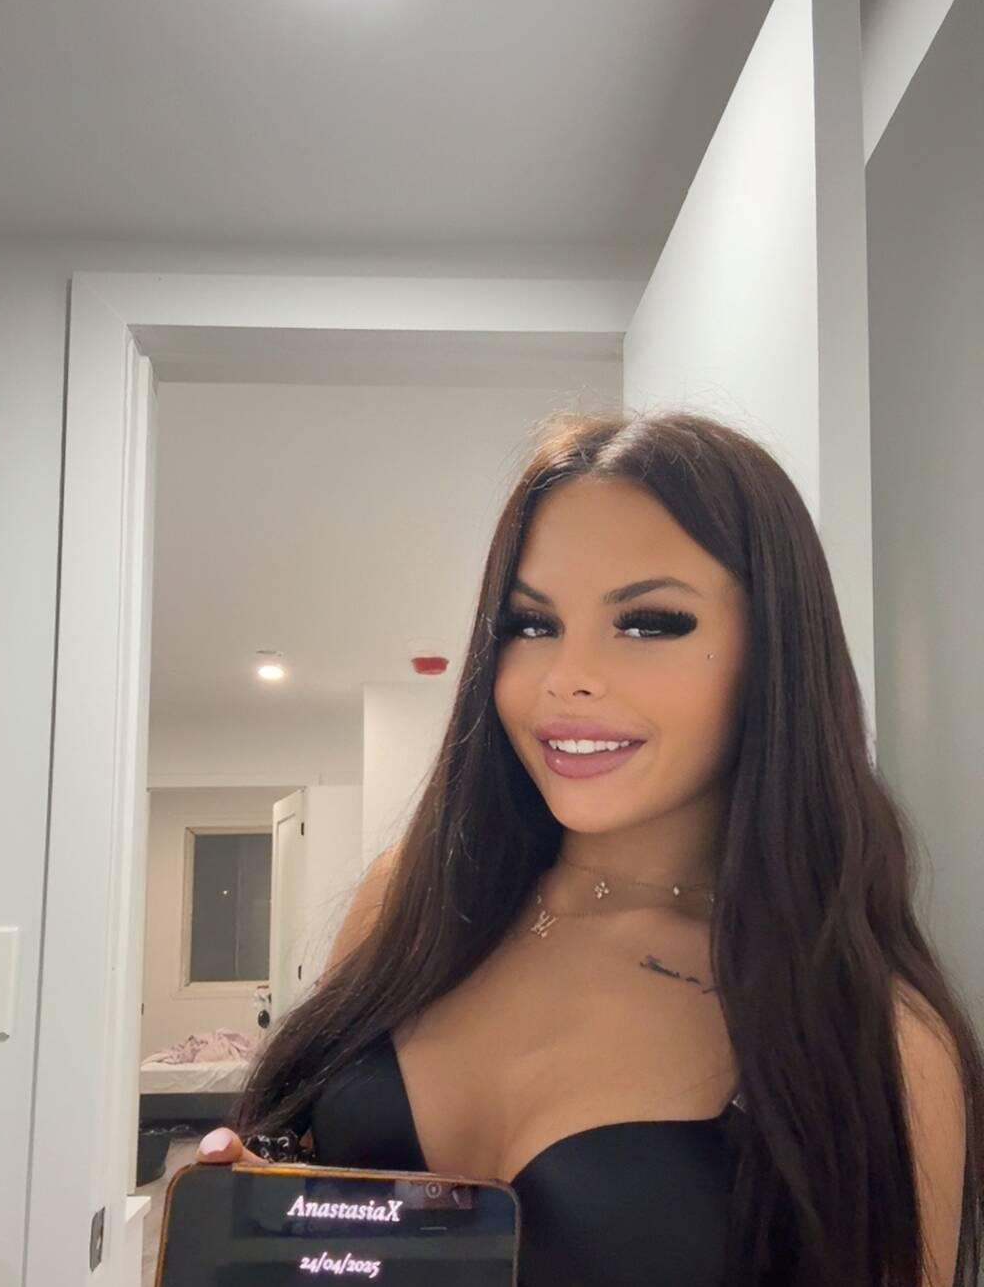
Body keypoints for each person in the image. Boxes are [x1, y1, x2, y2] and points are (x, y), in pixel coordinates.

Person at [197, 407, 983, 1286]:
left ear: (773, 650)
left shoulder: (871, 1035)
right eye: (531, 625)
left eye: (649, 622)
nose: (566, 678)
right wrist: (256, 1231)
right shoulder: (411, 898)